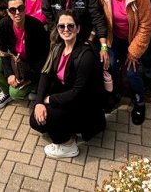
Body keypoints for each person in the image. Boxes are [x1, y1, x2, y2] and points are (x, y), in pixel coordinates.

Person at [30, 11, 106, 159]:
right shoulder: (58, 47)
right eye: (61, 26)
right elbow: (45, 74)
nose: (66, 29)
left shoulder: (86, 56)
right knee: (36, 120)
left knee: (47, 118)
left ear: (78, 28)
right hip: (68, 99)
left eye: (70, 26)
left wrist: (49, 100)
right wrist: (39, 102)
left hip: (84, 107)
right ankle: (64, 126)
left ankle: (68, 145)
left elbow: (79, 93)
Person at [95, 0, 151, 125]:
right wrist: (103, 46)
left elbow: (146, 25)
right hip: (113, 37)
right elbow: (98, 19)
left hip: (133, 38)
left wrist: (134, 51)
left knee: (132, 72)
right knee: (109, 65)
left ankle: (139, 102)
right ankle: (113, 95)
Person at [0, 0, 50, 109]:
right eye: (13, 9)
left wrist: (29, 78)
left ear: (25, 8)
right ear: (8, 12)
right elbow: (3, 51)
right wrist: (10, 74)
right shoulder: (4, 24)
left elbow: (43, 58)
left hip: (32, 66)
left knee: (16, 94)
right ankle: (6, 93)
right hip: (14, 59)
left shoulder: (36, 26)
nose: (17, 12)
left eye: (20, 8)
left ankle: (35, 87)